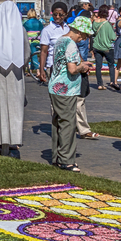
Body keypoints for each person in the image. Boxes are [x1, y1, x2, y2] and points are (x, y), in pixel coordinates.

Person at [48, 16, 95, 172]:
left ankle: (57, 156)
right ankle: (66, 160)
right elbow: (72, 69)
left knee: (58, 122)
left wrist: (81, 64)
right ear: (80, 33)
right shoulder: (71, 44)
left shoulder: (61, 40)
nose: (85, 38)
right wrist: (83, 67)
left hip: (55, 86)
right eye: (86, 35)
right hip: (66, 89)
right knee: (68, 123)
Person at [0, 1, 27, 156]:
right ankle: (9, 142)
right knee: (13, 107)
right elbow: (26, 53)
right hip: (15, 73)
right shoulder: (20, 30)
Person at [91, 6, 118, 90]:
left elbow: (93, 33)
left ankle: (99, 84)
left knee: (98, 66)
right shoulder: (107, 23)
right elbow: (113, 37)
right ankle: (112, 81)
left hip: (97, 47)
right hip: (107, 47)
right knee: (111, 64)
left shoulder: (94, 22)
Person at [23, 9, 44, 78]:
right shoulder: (39, 22)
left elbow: (23, 32)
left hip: (30, 41)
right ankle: (31, 71)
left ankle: (38, 71)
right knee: (33, 55)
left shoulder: (26, 23)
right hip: (38, 40)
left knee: (33, 56)